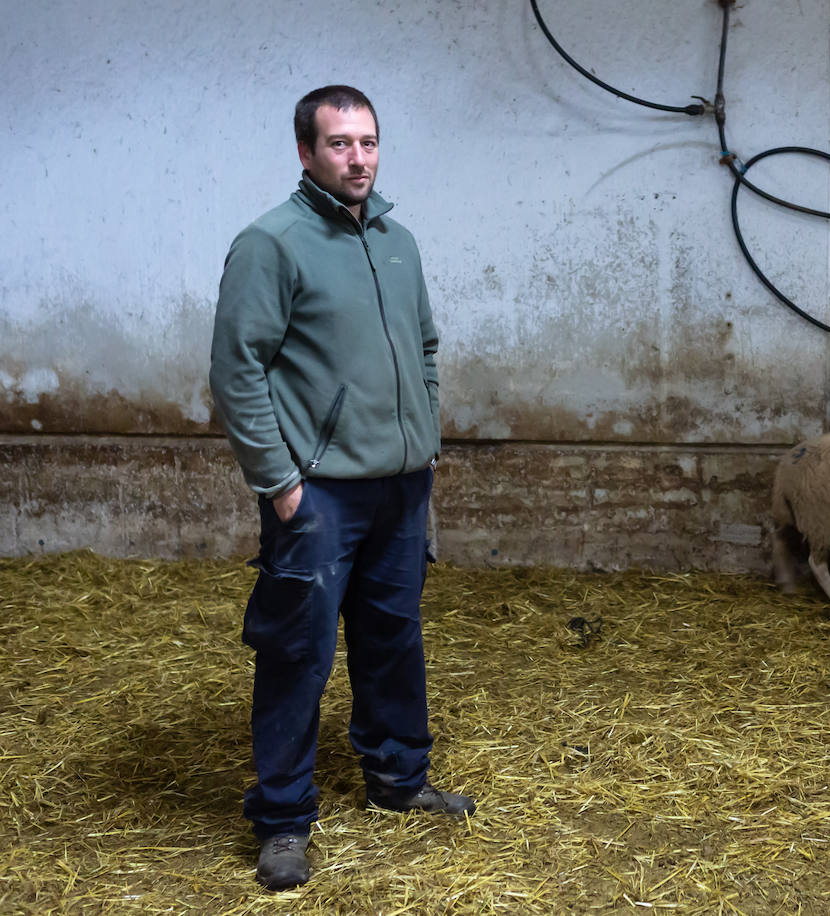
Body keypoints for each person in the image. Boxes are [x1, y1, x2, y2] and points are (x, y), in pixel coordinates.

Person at [209, 85, 473, 892]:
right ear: (305, 152)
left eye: (368, 142)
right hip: (318, 494)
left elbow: (425, 347)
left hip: (399, 488)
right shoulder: (272, 245)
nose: (357, 158)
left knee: (393, 637)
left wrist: (423, 443)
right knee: (297, 651)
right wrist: (280, 483)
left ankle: (398, 778)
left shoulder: (398, 241)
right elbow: (236, 370)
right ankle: (284, 821)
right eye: (338, 144)